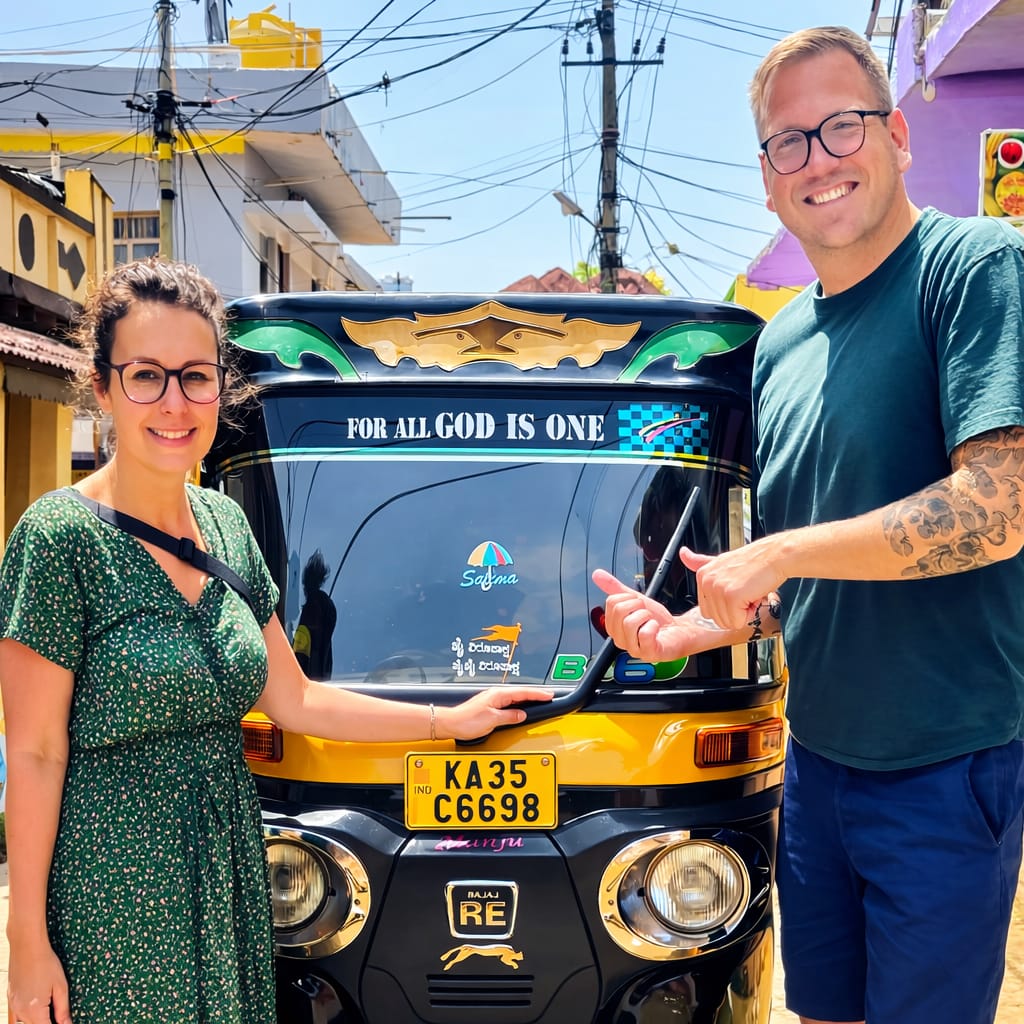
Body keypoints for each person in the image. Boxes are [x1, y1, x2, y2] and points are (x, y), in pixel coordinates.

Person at [595, 25, 1024, 1024]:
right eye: (788, 142)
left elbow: (997, 509)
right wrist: (700, 627)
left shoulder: (971, 267)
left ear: (899, 135)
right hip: (817, 764)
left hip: (944, 767)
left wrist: (774, 549)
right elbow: (816, 587)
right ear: (765, 174)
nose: (817, 162)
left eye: (841, 128)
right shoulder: (781, 341)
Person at [0, 258, 552, 1024]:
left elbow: (292, 698)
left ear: (220, 388)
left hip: (226, 873)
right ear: (102, 386)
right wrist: (26, 941)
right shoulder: (58, 538)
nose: (173, 402)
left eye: (195, 376)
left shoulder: (227, 525)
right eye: (146, 376)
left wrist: (445, 722)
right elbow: (32, 754)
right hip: (114, 886)